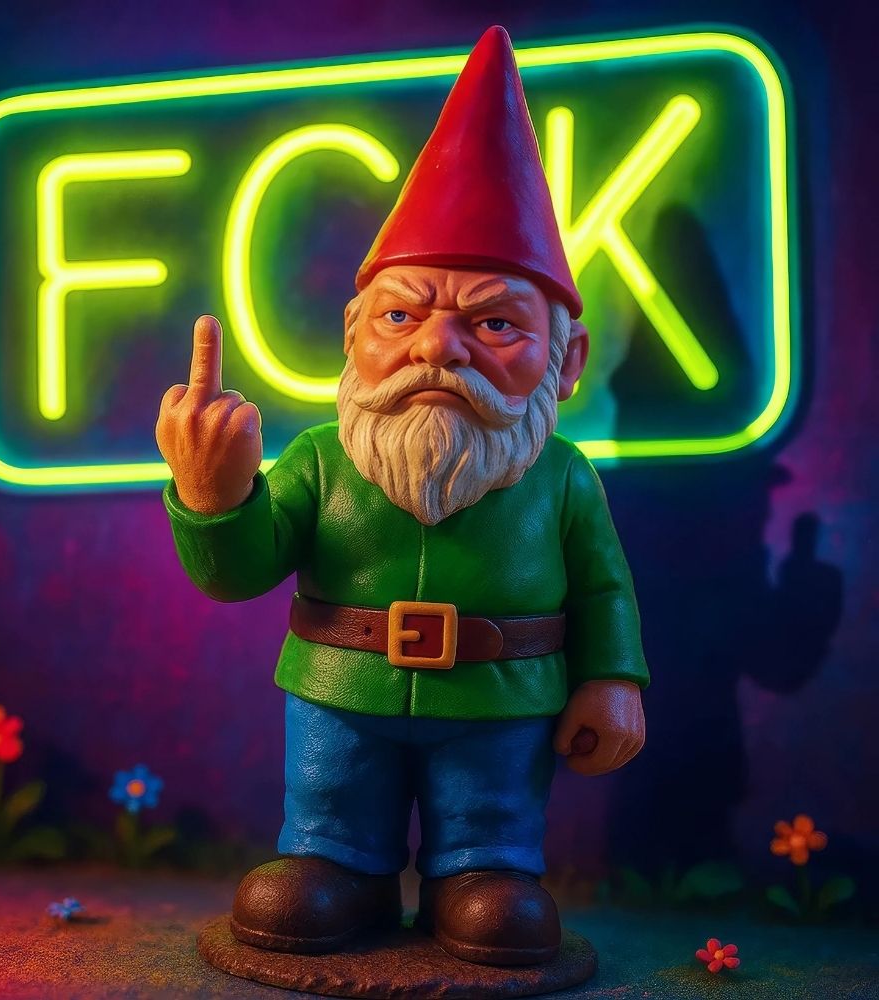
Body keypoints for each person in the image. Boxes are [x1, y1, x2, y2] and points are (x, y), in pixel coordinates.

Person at [157, 25, 648, 967]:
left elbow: (602, 591)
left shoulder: (560, 478)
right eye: (400, 314)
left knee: (495, 878)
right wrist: (212, 498)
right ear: (354, 336)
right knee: (325, 833)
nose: (437, 347)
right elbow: (239, 574)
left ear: (565, 361)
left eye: (495, 323)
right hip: (340, 693)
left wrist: (613, 681)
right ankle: (338, 863)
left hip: (502, 701)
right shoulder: (320, 458)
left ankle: (484, 869)